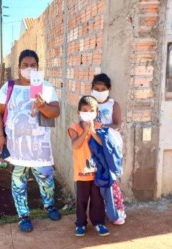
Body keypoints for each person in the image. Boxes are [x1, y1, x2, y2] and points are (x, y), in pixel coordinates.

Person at [0, 49, 62, 233]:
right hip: (16, 147)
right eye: (25, 65)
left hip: (40, 146)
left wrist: (42, 105)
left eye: (33, 65)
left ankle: (49, 205)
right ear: (19, 67)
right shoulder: (9, 88)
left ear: (38, 67)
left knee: (46, 178)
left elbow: (55, 112)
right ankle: (23, 215)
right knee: (18, 180)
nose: (29, 69)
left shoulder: (45, 87)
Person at [68, 96, 110, 237]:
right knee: (81, 200)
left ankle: (98, 222)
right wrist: (85, 132)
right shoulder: (74, 128)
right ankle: (80, 224)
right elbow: (75, 145)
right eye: (84, 110)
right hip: (81, 173)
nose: (88, 113)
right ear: (78, 112)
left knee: (98, 200)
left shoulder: (100, 128)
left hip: (98, 173)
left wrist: (92, 131)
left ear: (96, 112)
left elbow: (104, 145)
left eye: (91, 110)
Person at [90, 73, 126, 225]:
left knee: (112, 180)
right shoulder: (89, 103)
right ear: (92, 89)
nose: (99, 91)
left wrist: (102, 127)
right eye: (96, 88)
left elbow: (117, 124)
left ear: (108, 89)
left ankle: (118, 211)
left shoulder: (113, 105)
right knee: (97, 180)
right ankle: (101, 211)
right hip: (94, 147)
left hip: (110, 148)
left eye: (102, 88)